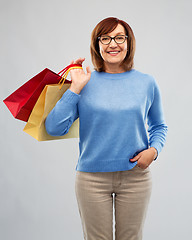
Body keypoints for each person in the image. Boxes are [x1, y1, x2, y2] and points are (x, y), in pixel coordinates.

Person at [45, 17, 168, 240]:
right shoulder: (84, 81)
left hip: (135, 177)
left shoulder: (146, 82)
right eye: (106, 38)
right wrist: (74, 88)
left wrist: (154, 150)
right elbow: (54, 128)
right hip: (91, 179)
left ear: (129, 43)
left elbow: (159, 125)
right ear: (97, 44)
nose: (113, 44)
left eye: (119, 37)